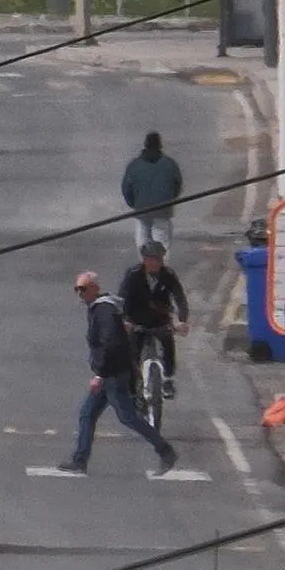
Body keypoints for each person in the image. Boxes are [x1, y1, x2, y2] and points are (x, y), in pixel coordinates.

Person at [59, 271, 179, 476]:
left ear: (95, 288)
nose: (81, 294)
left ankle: (166, 451)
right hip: (111, 374)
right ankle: (79, 460)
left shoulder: (103, 310)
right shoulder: (101, 308)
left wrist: (100, 375)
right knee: (87, 414)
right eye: (77, 290)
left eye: (84, 289)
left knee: (128, 418)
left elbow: (111, 344)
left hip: (112, 376)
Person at [117, 240, 191, 398]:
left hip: (160, 320)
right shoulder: (133, 274)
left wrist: (182, 321)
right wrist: (124, 320)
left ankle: (168, 380)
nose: (155, 263)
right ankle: (132, 385)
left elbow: (180, 298)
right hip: (136, 320)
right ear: (144, 259)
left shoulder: (168, 275)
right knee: (132, 353)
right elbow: (122, 298)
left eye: (159, 259)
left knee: (168, 344)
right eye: (151, 259)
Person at [120, 131, 184, 250]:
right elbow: (177, 185)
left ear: (145, 145)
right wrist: (170, 200)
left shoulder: (134, 165)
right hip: (163, 210)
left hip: (141, 210)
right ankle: (161, 265)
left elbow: (126, 189)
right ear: (160, 145)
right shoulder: (170, 164)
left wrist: (134, 205)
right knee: (162, 242)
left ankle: (145, 265)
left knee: (143, 241)